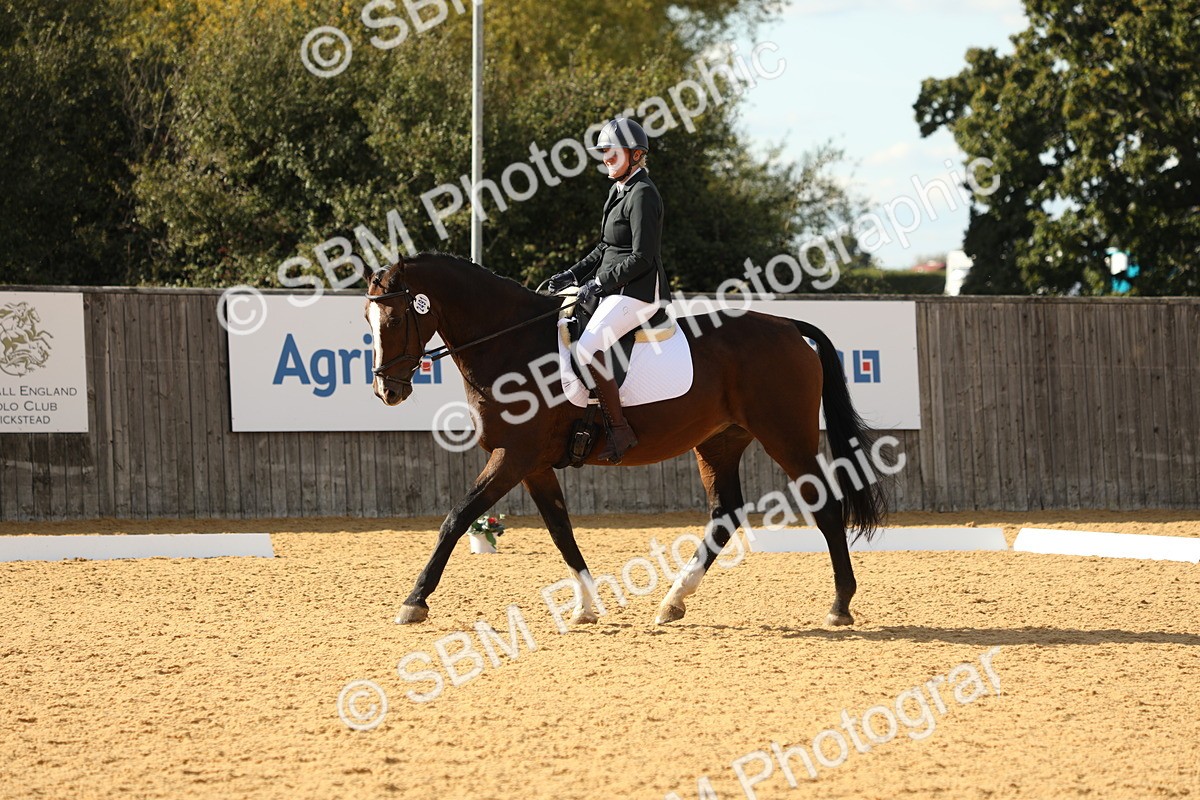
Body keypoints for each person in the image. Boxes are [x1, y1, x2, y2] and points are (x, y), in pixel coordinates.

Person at [546, 117, 670, 464]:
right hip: (614, 289)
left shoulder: (643, 194)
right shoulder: (619, 191)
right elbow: (605, 247)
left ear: (636, 154)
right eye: (603, 152)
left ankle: (619, 429)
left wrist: (598, 283)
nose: (606, 159)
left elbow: (642, 256)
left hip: (639, 293)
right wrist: (572, 274)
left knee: (587, 347)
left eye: (612, 152)